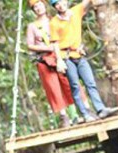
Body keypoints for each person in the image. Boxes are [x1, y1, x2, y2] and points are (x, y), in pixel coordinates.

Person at [49, 0, 118, 120]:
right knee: (75, 86)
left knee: (90, 83)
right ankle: (85, 114)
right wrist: (59, 60)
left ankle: (100, 109)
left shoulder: (75, 11)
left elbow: (88, 2)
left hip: (79, 54)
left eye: (61, 1)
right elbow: (55, 43)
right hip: (66, 56)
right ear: (55, 7)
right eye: (57, 4)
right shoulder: (54, 22)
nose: (61, 5)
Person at [26, 0, 81, 128]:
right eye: (35, 7)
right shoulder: (32, 26)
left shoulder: (55, 20)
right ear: (33, 10)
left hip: (61, 56)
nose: (38, 8)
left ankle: (75, 115)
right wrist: (48, 48)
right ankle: (63, 116)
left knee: (69, 84)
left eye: (39, 5)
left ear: (44, 5)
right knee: (53, 88)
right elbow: (30, 45)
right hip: (45, 60)